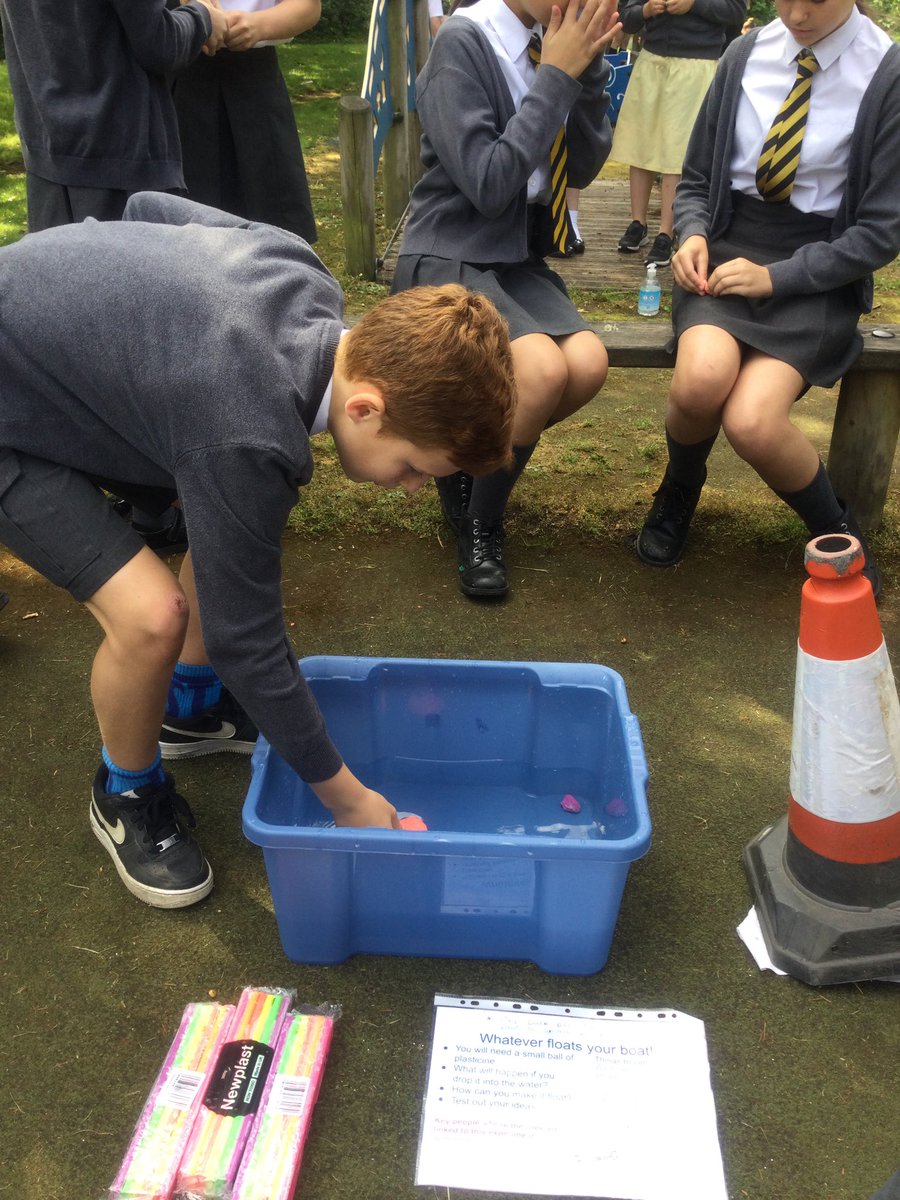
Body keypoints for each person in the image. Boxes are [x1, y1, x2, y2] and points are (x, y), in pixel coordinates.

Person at [0, 192, 516, 909]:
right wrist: (349, 800)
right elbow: (247, 643)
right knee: (151, 616)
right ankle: (125, 791)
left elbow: (150, 206)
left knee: (227, 522)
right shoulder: (247, 429)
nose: (408, 489)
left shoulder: (302, 274)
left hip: (35, 338)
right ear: (364, 407)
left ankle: (190, 706)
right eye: (414, 469)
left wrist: (128, 326)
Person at [634, 0, 900, 597]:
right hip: (729, 252)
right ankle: (680, 488)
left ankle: (836, 531)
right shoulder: (743, 54)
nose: (797, 14)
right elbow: (696, 179)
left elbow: (880, 232)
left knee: (752, 422)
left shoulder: (887, 74)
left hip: (818, 273)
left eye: (817, 0)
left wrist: (780, 278)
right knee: (700, 381)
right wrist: (694, 232)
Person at [392, 0, 620, 599]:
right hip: (449, 252)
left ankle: (467, 462)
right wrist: (557, 76)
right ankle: (481, 525)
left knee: (587, 363)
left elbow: (581, 167)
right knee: (540, 370)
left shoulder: (552, 41)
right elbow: (489, 184)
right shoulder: (464, 42)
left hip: (516, 259)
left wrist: (588, 70)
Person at [0, 0, 229, 554]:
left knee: (64, 340)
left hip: (50, 147)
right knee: (148, 342)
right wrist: (204, 18)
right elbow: (157, 42)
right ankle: (158, 506)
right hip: (123, 149)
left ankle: (118, 500)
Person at [171, 0, 321, 242]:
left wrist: (256, 25)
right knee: (182, 230)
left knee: (272, 232)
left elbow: (308, 7)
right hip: (180, 78)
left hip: (255, 86)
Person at [611, 0, 746, 268]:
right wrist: (646, 10)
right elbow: (625, 16)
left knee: (677, 149)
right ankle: (638, 222)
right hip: (652, 60)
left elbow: (736, 11)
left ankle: (667, 232)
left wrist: (693, 4)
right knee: (640, 143)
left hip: (697, 64)